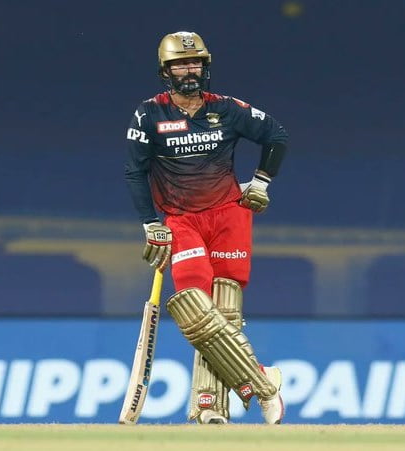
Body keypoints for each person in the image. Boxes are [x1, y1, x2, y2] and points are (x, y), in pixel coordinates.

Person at [124, 31, 288, 425]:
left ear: (205, 66)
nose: (189, 70)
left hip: (230, 215)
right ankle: (263, 383)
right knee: (195, 308)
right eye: (180, 64)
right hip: (181, 220)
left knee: (224, 315)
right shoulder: (149, 114)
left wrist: (261, 182)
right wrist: (150, 223)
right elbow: (135, 172)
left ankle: (208, 406)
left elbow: (276, 136)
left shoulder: (226, 108)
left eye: (195, 62)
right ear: (165, 71)